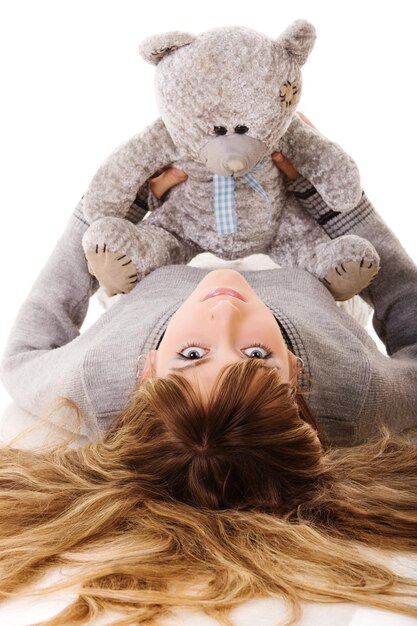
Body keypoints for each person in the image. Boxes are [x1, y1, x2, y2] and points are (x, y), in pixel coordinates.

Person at [0, 138, 416, 625]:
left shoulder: (100, 375)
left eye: (192, 355)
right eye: (256, 356)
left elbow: (24, 354)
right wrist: (332, 200)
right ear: (298, 376)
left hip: (161, 265)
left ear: (148, 368)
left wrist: (124, 201)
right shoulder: (354, 391)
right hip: (302, 269)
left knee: (117, 257)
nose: (223, 312)